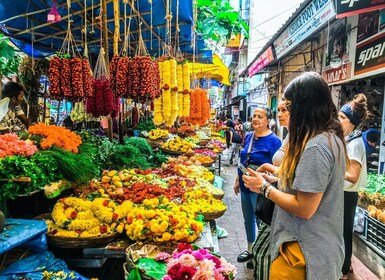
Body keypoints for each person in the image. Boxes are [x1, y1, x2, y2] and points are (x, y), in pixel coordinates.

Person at [242, 72, 347, 280]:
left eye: (289, 106)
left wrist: (265, 188)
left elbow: (304, 208)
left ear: (304, 107)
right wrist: (275, 181)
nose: (287, 112)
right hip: (310, 250)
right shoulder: (329, 139)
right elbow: (310, 190)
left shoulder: (316, 146)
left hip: (303, 254)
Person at [233, 107, 281, 266]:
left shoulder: (274, 141)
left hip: (261, 189)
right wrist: (237, 179)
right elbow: (242, 160)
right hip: (246, 185)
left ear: (268, 121)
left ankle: (262, 252)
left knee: (261, 219)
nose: (255, 119)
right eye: (254, 116)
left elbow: (278, 168)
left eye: (260, 116)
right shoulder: (248, 136)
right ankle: (251, 249)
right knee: (248, 219)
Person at [251, 99, 290, 279]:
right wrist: (270, 177)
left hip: (282, 204)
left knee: (265, 252)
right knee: (260, 249)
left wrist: (266, 186)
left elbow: (303, 204)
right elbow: (287, 173)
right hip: (272, 189)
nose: (280, 114)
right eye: (279, 110)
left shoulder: (311, 143)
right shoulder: (291, 136)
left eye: (285, 110)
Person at [338, 93, 368, 279]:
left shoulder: (355, 143)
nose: (338, 120)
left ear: (351, 122)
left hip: (347, 195)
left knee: (343, 233)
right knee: (341, 232)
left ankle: (342, 269)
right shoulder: (349, 139)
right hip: (342, 193)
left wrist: (333, 169)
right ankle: (344, 265)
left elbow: (353, 176)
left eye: (342, 117)